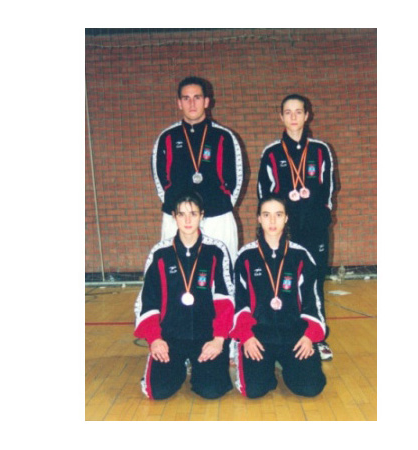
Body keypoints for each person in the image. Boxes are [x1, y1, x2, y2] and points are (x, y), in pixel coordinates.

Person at [256, 94, 336, 361]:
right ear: (281, 117)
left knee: (314, 282)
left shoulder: (321, 150)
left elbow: (328, 191)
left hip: (314, 230)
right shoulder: (271, 153)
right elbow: (263, 195)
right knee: (281, 282)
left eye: (298, 112)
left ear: (306, 115)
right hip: (284, 231)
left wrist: (321, 218)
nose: (293, 117)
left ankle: (318, 337)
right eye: (288, 112)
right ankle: (283, 334)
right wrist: (273, 227)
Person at [134, 191, 235, 400]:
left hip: (207, 337)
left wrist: (218, 339)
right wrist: (155, 339)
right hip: (170, 338)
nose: (188, 220)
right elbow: (148, 300)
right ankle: (179, 366)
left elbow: (226, 299)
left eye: (193, 214)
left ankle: (198, 366)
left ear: (202, 215)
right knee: (157, 392)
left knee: (212, 390)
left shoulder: (216, 251)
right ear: (174, 216)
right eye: (181, 214)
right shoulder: (160, 253)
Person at [230, 195, 327, 398]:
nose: (272, 221)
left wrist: (309, 336)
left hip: (294, 335)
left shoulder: (301, 256)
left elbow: (313, 302)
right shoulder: (246, 257)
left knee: (310, 388)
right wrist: (247, 337)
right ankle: (268, 366)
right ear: (259, 219)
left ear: (286, 218)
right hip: (258, 336)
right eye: (266, 215)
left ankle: (286, 364)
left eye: (278, 215)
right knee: (254, 390)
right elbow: (239, 302)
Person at [152, 76, 243, 262]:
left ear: (206, 102)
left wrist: (222, 205)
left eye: (197, 97)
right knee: (177, 271)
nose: (192, 103)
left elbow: (236, 178)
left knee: (223, 269)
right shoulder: (167, 137)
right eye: (186, 98)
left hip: (217, 217)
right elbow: (159, 179)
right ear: (179, 103)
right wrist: (177, 209)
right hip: (177, 219)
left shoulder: (224, 136)